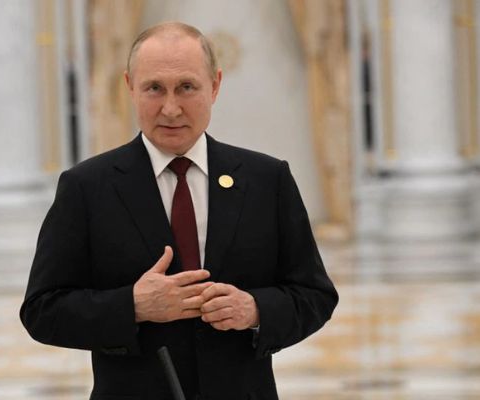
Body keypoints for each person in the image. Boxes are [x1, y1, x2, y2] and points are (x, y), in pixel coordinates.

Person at [20, 21, 338, 400]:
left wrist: (255, 310)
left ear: (215, 85)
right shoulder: (87, 187)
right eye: (154, 88)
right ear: (129, 87)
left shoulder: (267, 180)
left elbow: (315, 295)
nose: (171, 108)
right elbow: (42, 311)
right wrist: (132, 306)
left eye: (187, 87)